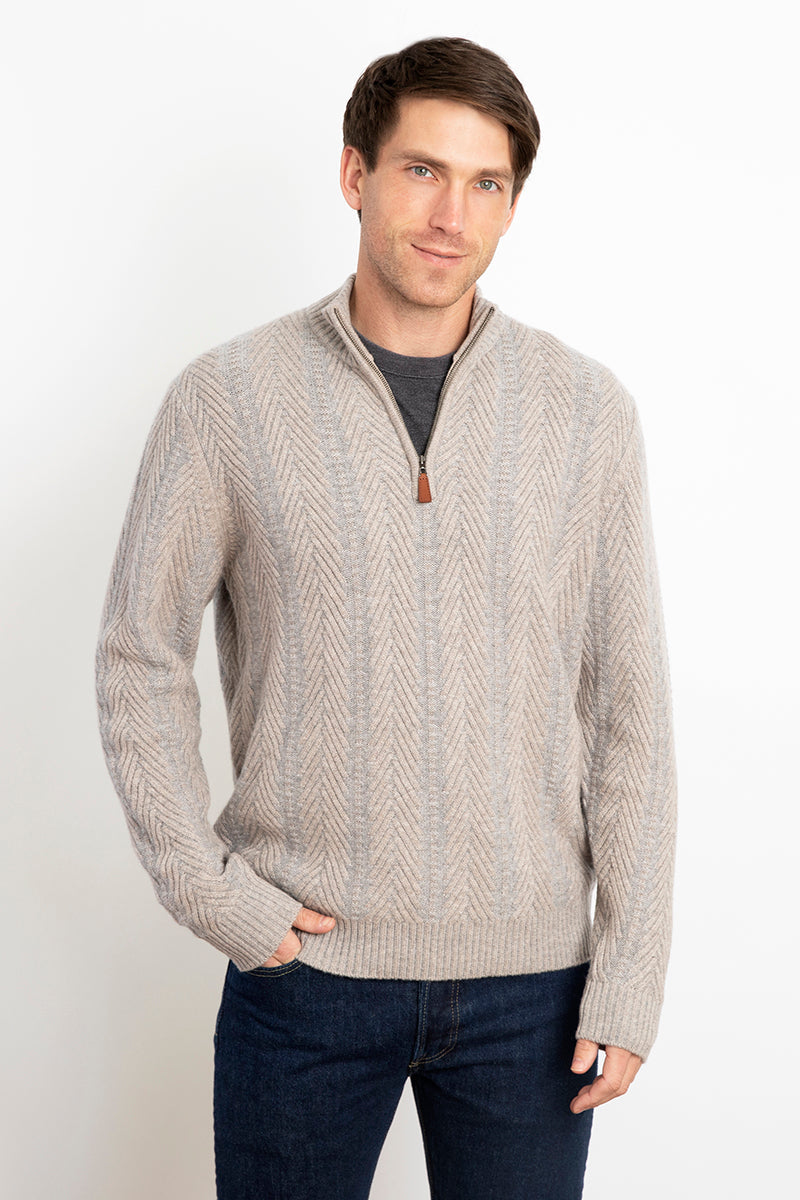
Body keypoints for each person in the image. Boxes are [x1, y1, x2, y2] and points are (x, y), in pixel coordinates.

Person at [95, 36, 677, 1200]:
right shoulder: (226, 400)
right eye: (421, 171)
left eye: (484, 183)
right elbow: (137, 654)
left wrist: (628, 975)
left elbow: (626, 712)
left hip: (532, 991)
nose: (450, 215)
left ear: (511, 203)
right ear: (354, 173)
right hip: (302, 978)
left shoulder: (585, 413)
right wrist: (210, 891)